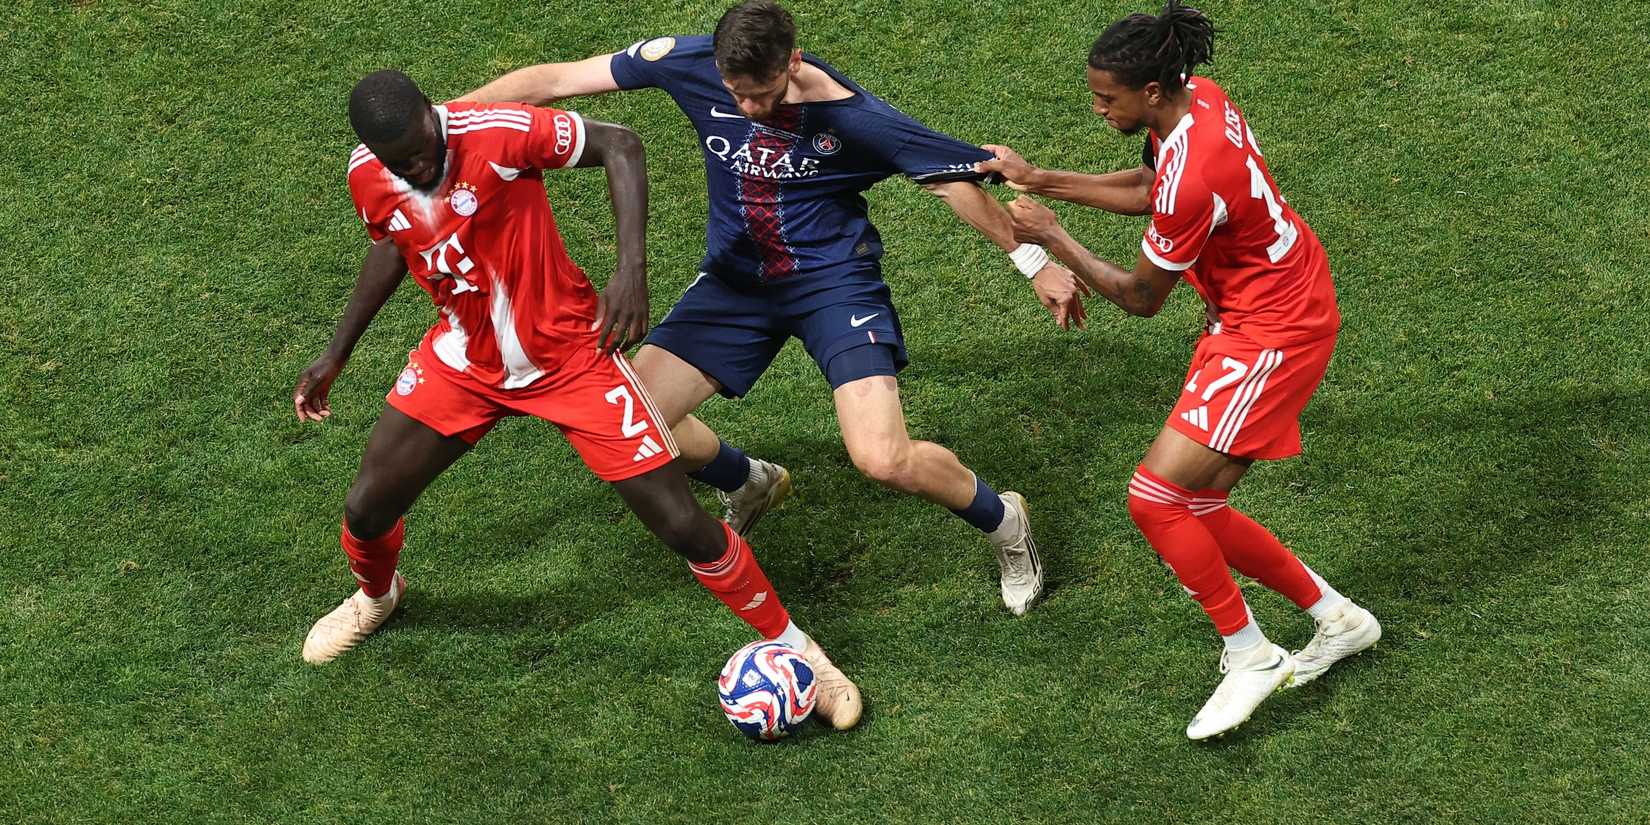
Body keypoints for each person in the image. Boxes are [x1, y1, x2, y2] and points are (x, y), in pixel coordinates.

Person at [462, 0, 1090, 615]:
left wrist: (1034, 264)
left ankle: (1004, 521)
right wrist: (441, 124)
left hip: (832, 286)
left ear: (792, 61)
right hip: (735, 286)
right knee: (624, 424)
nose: (749, 109)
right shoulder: (689, 63)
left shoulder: (854, 118)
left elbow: (953, 181)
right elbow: (551, 80)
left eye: (762, 95)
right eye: (737, 95)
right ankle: (750, 480)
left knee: (882, 457)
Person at [292, 69, 861, 730]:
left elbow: (621, 144)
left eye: (424, 149)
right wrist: (338, 351)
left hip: (571, 359)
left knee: (679, 522)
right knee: (367, 506)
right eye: (403, 163)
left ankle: (804, 654)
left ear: (432, 111)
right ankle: (377, 597)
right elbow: (393, 242)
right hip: (465, 362)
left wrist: (631, 271)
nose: (418, 168)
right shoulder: (369, 173)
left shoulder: (498, 133)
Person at [977, 1, 1380, 739]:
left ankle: (1250, 652)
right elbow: (1146, 188)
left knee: (1155, 497)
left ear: (1153, 92)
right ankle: (1340, 620)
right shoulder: (1201, 104)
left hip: (1272, 334)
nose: (1098, 107)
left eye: (1108, 97)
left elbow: (1139, 297)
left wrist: (1054, 237)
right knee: (1197, 507)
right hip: (1261, 311)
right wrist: (1043, 178)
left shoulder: (1197, 174)